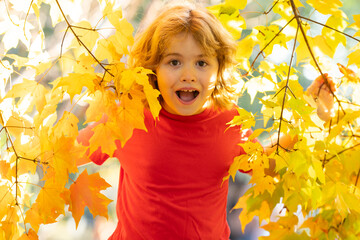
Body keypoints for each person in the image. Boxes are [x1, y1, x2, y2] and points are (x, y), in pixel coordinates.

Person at [77, 2, 335, 239]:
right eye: (174, 62)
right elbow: (65, 153)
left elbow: (267, 164)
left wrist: (309, 117)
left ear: (219, 69)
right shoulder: (129, 116)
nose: (188, 74)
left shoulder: (227, 121)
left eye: (201, 63)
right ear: (152, 67)